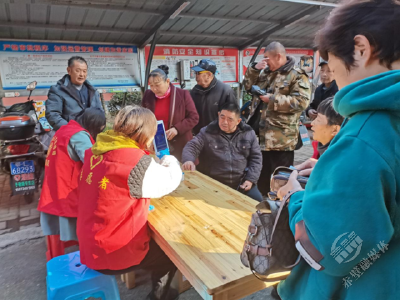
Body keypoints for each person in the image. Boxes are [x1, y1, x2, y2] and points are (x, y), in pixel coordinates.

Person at [276, 1, 400, 299]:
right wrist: (332, 176)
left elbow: (326, 248)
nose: (337, 82)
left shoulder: (365, 133)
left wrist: (294, 197)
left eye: (333, 68)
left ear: (360, 49)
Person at [77, 106, 182, 300]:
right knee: (170, 254)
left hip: (88, 243)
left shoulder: (95, 151)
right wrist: (168, 158)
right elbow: (170, 180)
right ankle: (160, 296)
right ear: (145, 133)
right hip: (111, 251)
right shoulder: (135, 162)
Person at [244, 41, 311, 195]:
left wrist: (272, 99)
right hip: (261, 138)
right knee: (261, 178)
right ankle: (263, 207)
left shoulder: (297, 75)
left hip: (281, 140)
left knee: (280, 180)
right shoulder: (267, 72)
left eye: (267, 58)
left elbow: (302, 102)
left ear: (278, 56)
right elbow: (247, 86)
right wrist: (254, 70)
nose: (265, 61)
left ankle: (280, 212)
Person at [38, 108, 106, 242]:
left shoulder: (64, 130)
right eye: (99, 129)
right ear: (93, 124)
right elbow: (93, 163)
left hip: (54, 187)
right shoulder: (79, 136)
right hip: (67, 191)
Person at [182, 102, 263, 202]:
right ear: (218, 115)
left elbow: (256, 158)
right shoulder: (208, 131)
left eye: (230, 119)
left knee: (259, 204)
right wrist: (188, 160)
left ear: (238, 121)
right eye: (222, 117)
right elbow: (192, 146)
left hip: (241, 181)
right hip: (214, 182)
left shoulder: (248, 132)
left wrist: (250, 179)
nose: (224, 122)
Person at [142, 65, 199, 161]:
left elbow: (194, 117)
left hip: (180, 144)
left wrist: (177, 129)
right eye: (151, 85)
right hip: (157, 144)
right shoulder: (148, 95)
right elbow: (143, 118)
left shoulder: (182, 94)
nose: (154, 89)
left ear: (167, 81)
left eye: (157, 85)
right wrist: (148, 140)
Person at [46, 56, 103, 131]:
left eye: (84, 71)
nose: (81, 74)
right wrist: (71, 130)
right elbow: (53, 114)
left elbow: (100, 112)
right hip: (70, 137)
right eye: (78, 70)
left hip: (92, 135)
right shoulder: (58, 91)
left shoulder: (92, 90)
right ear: (69, 70)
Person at [190, 59, 237, 135]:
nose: (196, 76)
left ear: (209, 74)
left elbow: (233, 116)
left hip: (219, 137)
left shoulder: (225, 91)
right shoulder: (194, 91)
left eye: (199, 73)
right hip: (199, 137)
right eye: (195, 72)